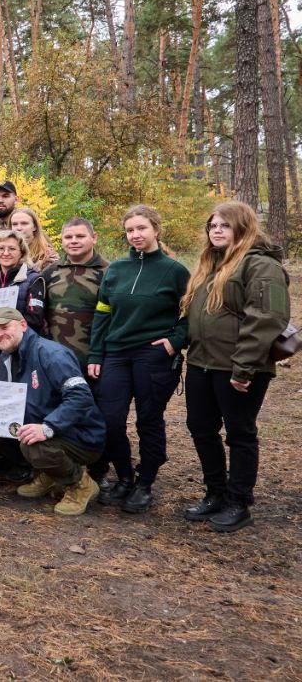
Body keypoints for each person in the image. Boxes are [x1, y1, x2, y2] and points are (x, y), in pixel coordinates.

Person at [181, 201, 291, 532]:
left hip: (239, 367)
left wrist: (243, 367)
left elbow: (267, 318)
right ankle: (215, 492)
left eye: (224, 225)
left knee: (240, 433)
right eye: (212, 225)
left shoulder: (259, 266)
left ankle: (238, 501)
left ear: (242, 228)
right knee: (200, 427)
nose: (216, 230)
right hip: (202, 362)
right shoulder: (209, 264)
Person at [87, 205, 189, 513]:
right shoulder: (116, 269)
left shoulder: (175, 271)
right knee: (110, 420)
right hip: (116, 353)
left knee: (148, 420)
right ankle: (125, 477)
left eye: (141, 228)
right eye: (130, 230)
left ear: (156, 230)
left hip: (153, 355)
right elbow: (102, 314)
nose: (136, 235)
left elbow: (192, 313)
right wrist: (96, 353)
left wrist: (174, 342)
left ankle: (145, 483)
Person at [0, 307, 105, 516]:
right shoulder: (6, 358)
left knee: (34, 446)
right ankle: (50, 473)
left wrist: (48, 427)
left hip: (81, 436)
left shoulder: (51, 353)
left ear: (23, 325)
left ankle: (81, 484)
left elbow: (81, 397)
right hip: (45, 430)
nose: (0, 334)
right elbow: (3, 399)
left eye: (5, 327)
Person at [41, 218, 108, 373]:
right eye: (68, 237)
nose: (74, 241)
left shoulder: (110, 272)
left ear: (94, 238)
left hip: (96, 361)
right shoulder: (49, 272)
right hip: (56, 360)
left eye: (80, 236)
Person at [0, 229, 47, 334]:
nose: (6, 253)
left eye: (12, 249)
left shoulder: (34, 280)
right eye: (1, 248)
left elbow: (35, 320)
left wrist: (3, 333)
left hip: (22, 342)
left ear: (22, 252)